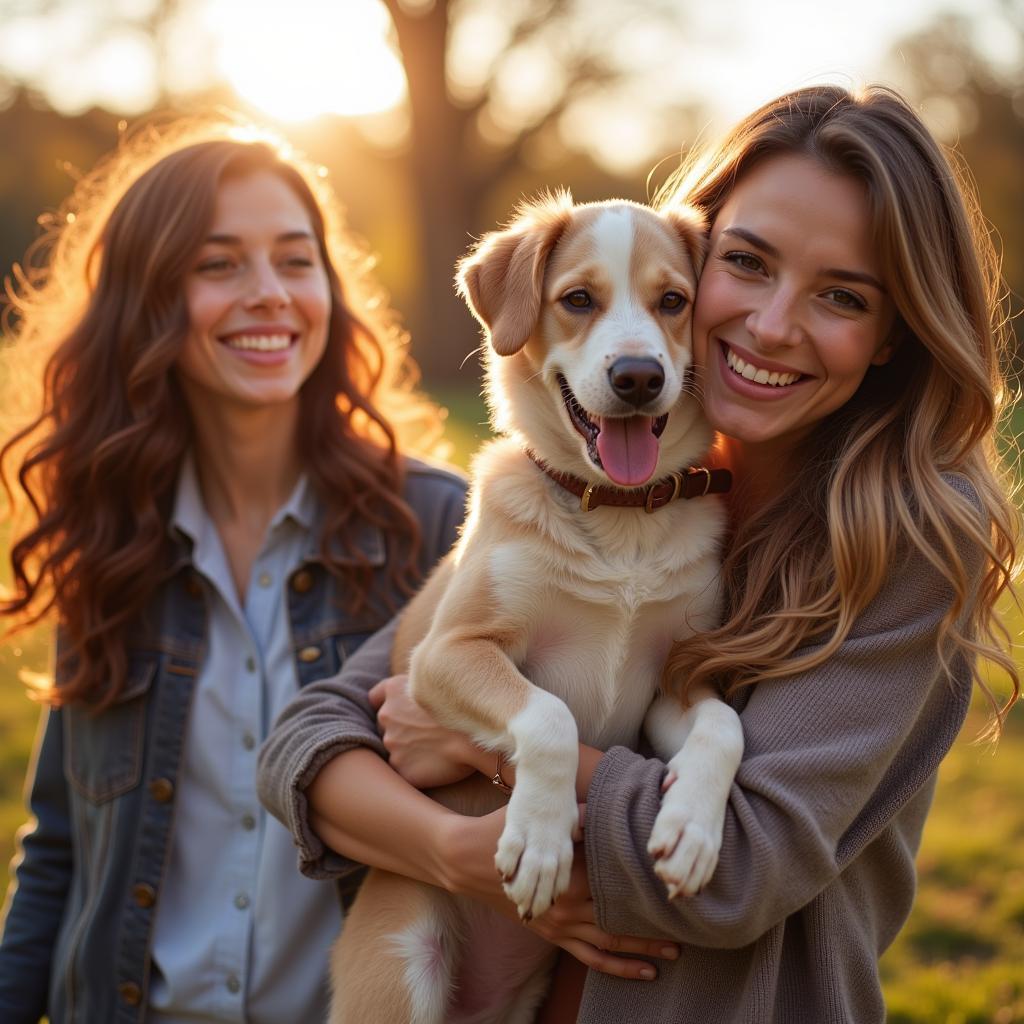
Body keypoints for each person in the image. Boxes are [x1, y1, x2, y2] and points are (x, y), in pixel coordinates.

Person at [258, 83, 1021, 1023]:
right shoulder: (580, 489)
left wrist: (485, 750)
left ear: (896, 330)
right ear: (711, 257)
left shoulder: (906, 548)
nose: (774, 325)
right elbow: (311, 737)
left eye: (841, 295)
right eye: (748, 263)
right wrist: (452, 850)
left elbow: (735, 867)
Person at [0, 119, 467, 1023]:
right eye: (219, 266)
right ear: (147, 304)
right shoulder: (112, 539)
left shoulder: (435, 527)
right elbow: (62, 849)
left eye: (296, 262)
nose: (269, 296)